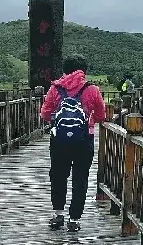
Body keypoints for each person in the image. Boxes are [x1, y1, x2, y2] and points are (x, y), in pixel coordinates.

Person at [40, 54, 106, 232]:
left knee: (58, 176)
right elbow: (101, 115)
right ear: (84, 71)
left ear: (64, 69)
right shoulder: (92, 89)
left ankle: (58, 214)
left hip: (59, 140)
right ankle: (74, 219)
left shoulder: (55, 88)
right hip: (84, 140)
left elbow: (45, 114)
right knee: (80, 178)